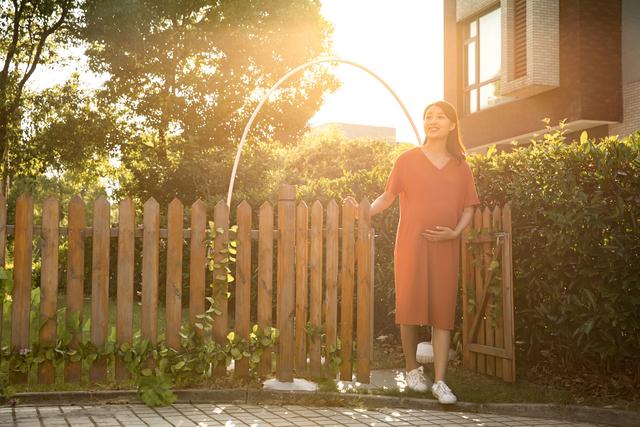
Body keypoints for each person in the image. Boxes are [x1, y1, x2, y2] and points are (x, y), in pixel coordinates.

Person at [346, 100, 479, 404]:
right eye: (428, 117)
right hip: (410, 244)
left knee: (443, 313)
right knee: (410, 306)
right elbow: (387, 196)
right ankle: (412, 370)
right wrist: (362, 213)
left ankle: (441, 381)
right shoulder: (406, 160)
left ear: (452, 125)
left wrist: (455, 233)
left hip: (445, 246)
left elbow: (470, 207)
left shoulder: (461, 166)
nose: (432, 121)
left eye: (439, 117)